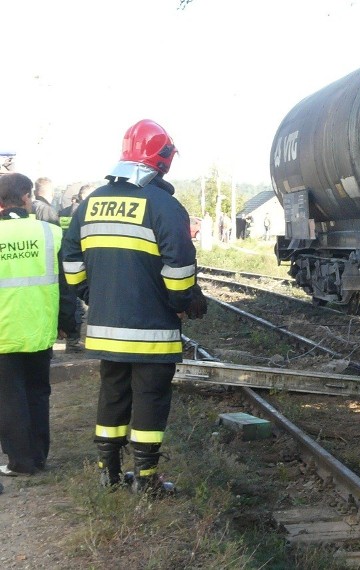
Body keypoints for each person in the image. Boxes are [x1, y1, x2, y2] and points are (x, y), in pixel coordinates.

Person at [62, 119, 207, 494]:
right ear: (164, 160)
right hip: (152, 330)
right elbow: (179, 270)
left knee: (112, 395)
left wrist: (96, 299)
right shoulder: (164, 205)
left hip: (107, 328)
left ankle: (107, 474)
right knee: (150, 398)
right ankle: (146, 480)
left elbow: (71, 263)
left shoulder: (91, 203)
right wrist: (182, 303)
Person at [0, 173, 66, 477]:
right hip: (40, 329)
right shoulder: (51, 233)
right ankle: (39, 456)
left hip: (3, 332)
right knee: (38, 393)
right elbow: (67, 284)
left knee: (9, 397)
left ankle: (21, 462)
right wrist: (69, 324)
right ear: (27, 196)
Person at [57, 184, 97, 352]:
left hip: (66, 260)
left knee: (72, 301)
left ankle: (72, 338)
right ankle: (73, 340)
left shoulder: (63, 212)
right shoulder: (85, 213)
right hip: (80, 263)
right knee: (77, 305)